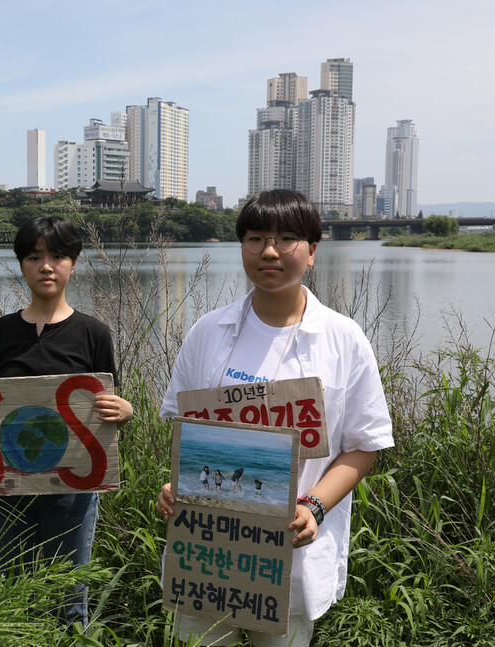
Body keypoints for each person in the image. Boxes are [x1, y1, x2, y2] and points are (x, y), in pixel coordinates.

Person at [154, 190, 394, 647]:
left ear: (312, 251)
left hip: (288, 556)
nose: (269, 250)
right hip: (206, 554)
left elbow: (364, 445)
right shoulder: (206, 332)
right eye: (255, 238)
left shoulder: (344, 339)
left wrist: (315, 506)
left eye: (287, 238)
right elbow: (187, 432)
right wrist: (178, 488)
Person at [0, 215, 134, 628]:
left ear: (73, 264)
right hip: (7, 486)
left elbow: (106, 409)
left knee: (69, 592)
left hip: (74, 487)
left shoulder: (94, 334)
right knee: (13, 587)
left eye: (58, 256)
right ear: (21, 265)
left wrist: (125, 411)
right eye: (34, 256)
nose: (47, 266)